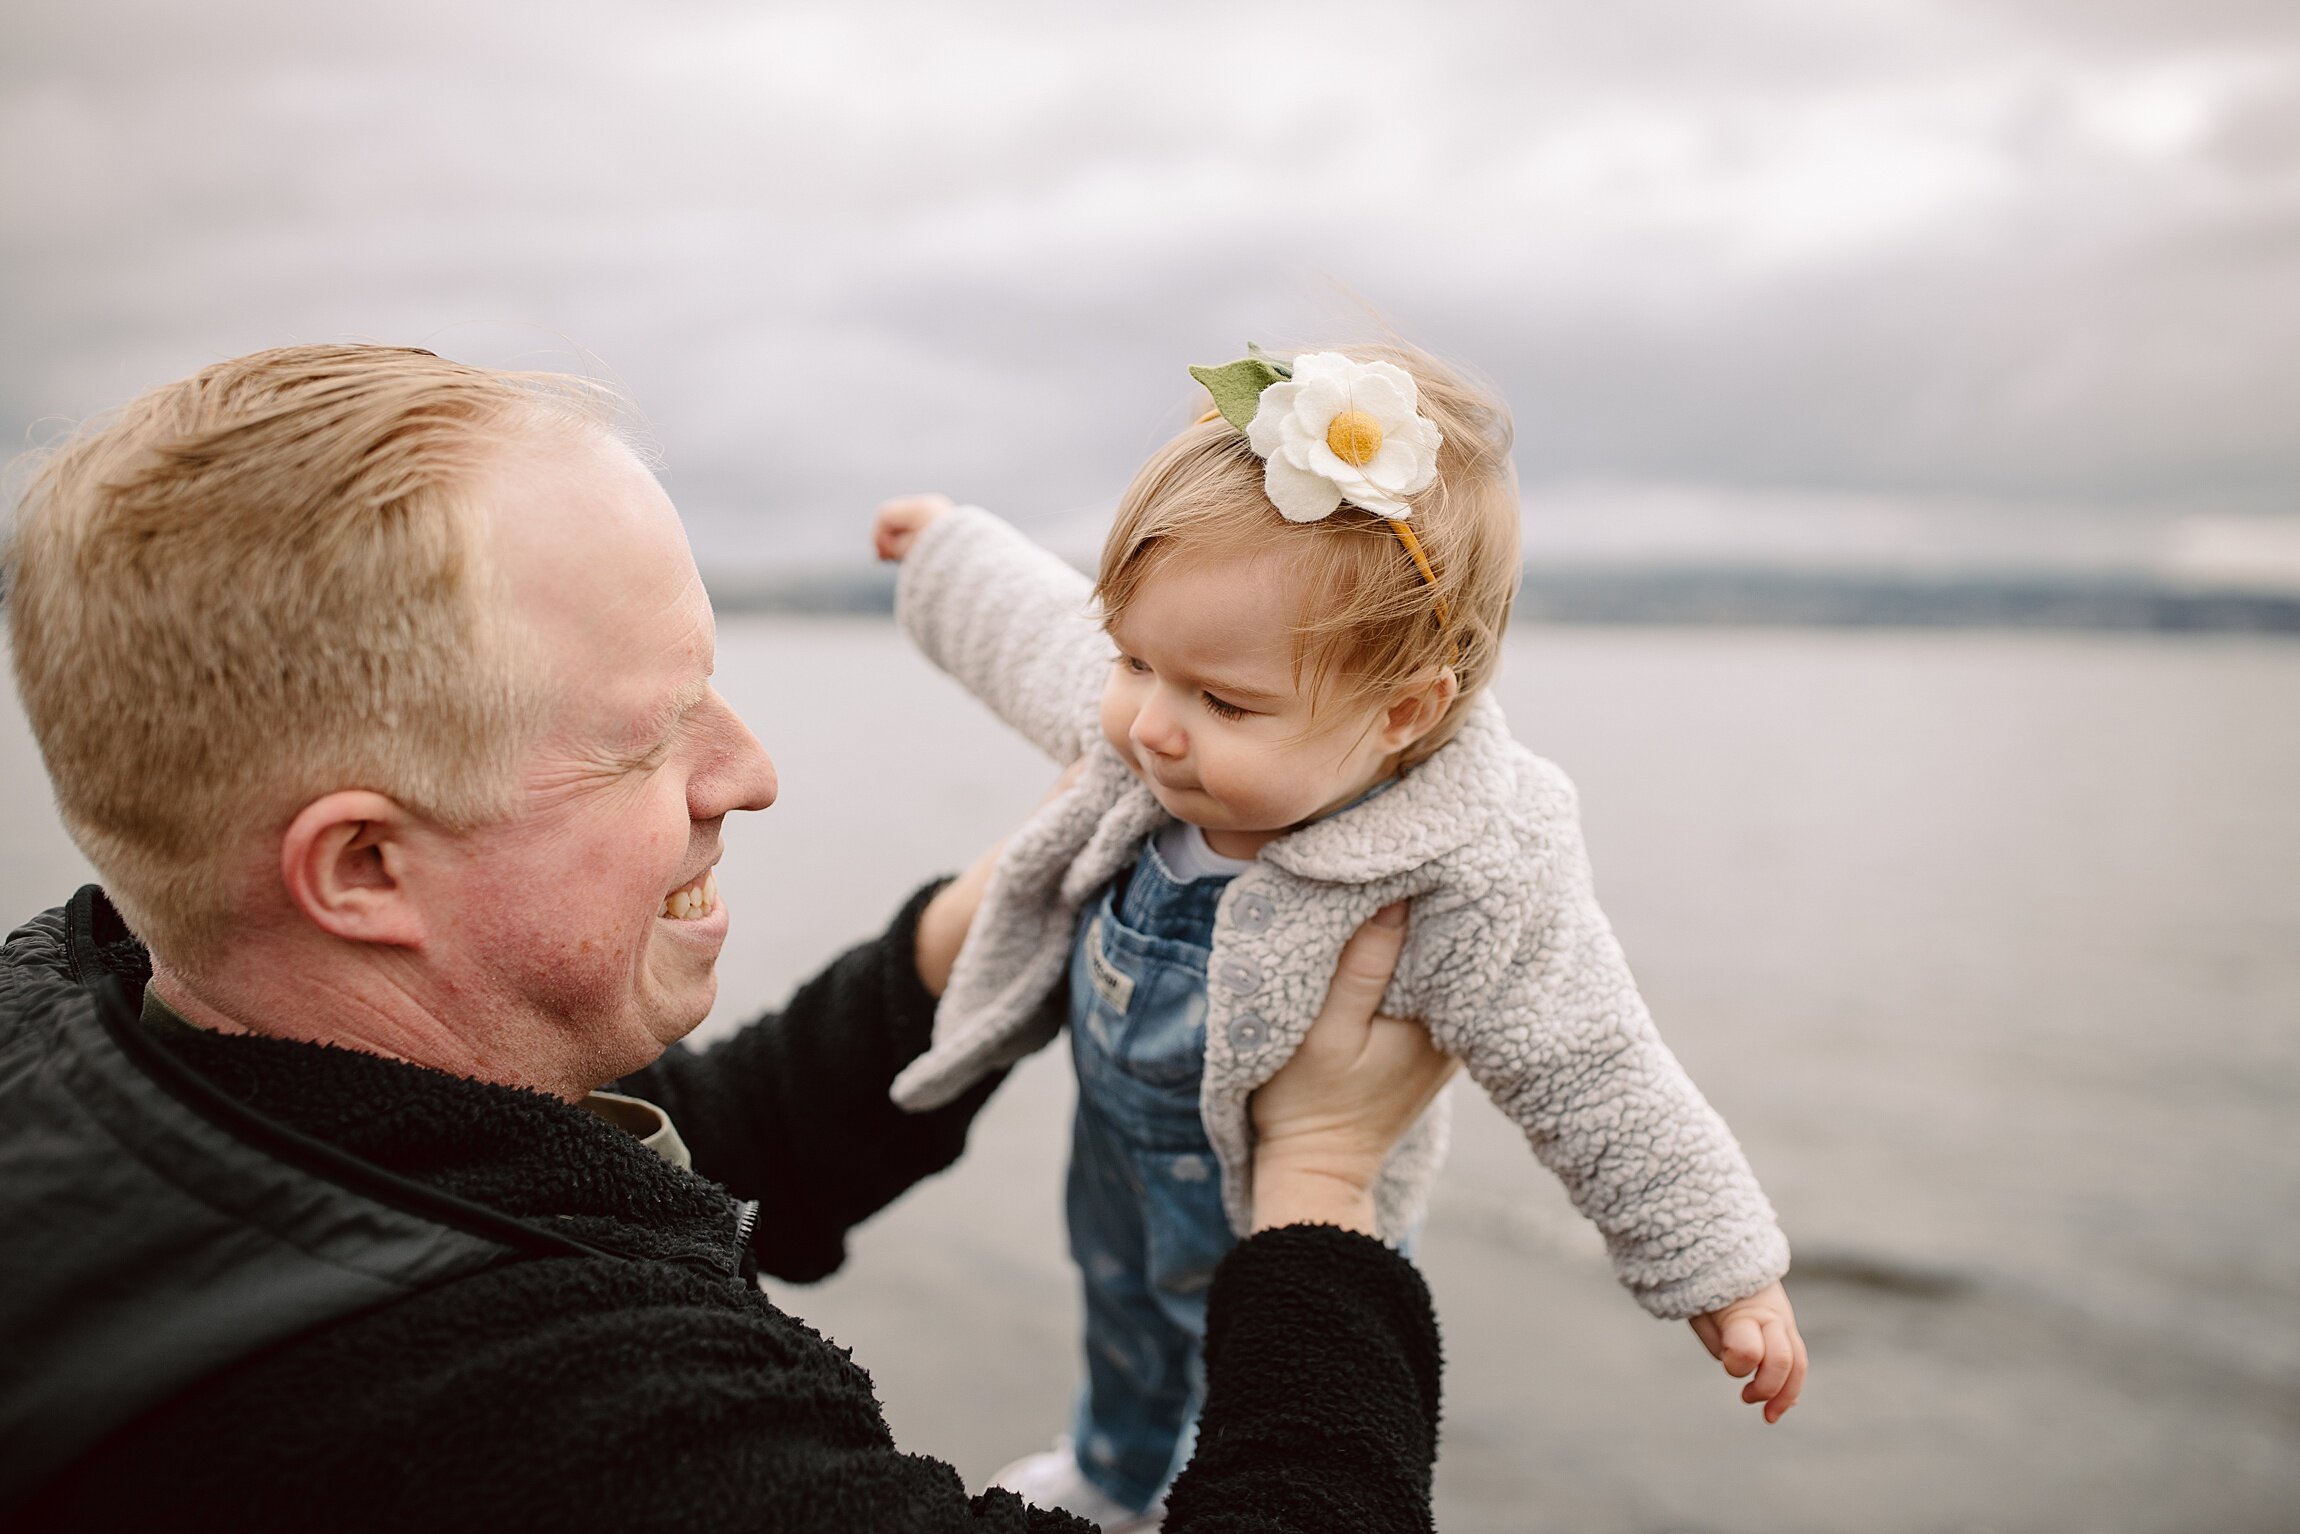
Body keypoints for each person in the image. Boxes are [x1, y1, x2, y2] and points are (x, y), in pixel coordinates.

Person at [0, 343, 1461, 1531]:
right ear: (365, 865)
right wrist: (1324, 1192)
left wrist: (990, 916)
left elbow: (643, 1156)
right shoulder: (592, 1448)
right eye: (651, 739)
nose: (752, 771)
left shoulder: (82, 1022)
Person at [869, 342, 1808, 1528]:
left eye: (1222, 703)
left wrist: (1719, 1266)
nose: (1151, 726)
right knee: (1117, 1314)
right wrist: (949, 549)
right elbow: (1036, 631)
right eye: (1134, 662)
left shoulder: (1467, 857)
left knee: (1255, 1361)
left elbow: (1593, 1057)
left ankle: (1191, 1491)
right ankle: (1110, 1472)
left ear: (1401, 710)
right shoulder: (1155, 730)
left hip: (1292, 1205)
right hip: (1120, 1152)